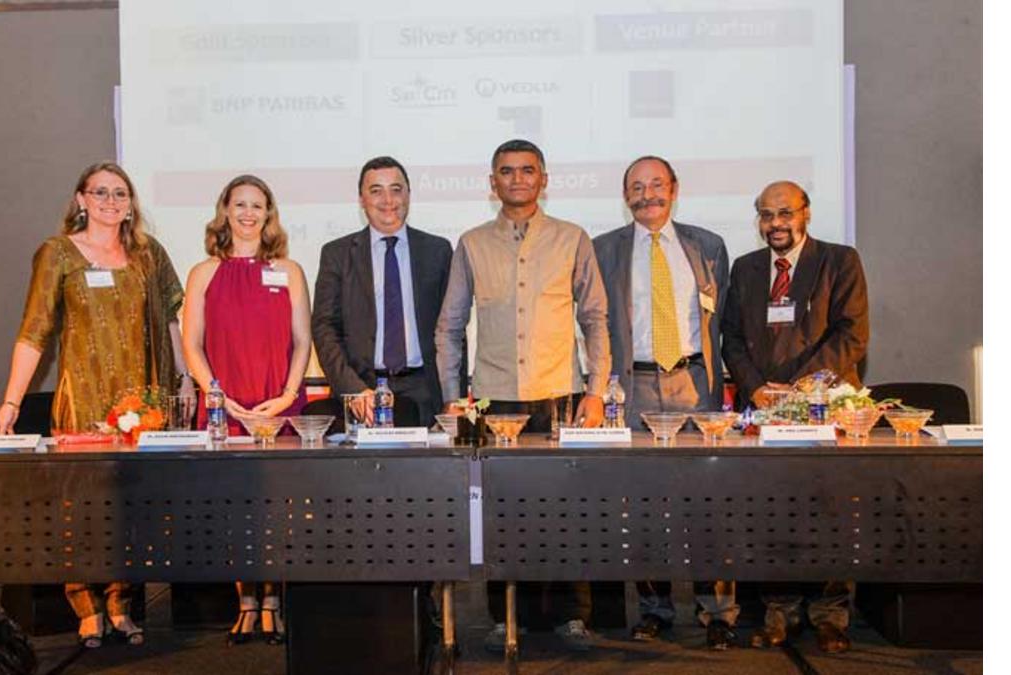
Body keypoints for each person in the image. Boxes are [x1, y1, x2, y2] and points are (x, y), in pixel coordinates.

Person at [0, 161, 189, 648]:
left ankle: (121, 605)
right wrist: (12, 400)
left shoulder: (148, 254)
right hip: (82, 400)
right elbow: (34, 332)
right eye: (99, 192)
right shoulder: (57, 253)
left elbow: (171, 321)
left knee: (133, 508)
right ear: (81, 199)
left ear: (131, 203)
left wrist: (185, 380)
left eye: (120, 193)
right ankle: (85, 606)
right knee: (79, 507)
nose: (110, 201)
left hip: (142, 404)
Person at [435, 139, 610, 652]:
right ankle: (503, 616)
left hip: (560, 394)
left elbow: (595, 319)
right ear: (492, 183)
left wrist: (597, 391)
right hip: (493, 401)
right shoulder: (471, 243)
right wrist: (453, 397)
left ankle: (571, 616)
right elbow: (449, 326)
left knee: (568, 507)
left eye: (527, 170)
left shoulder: (572, 238)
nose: (517, 179)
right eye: (507, 171)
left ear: (543, 179)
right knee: (501, 511)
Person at [592, 155, 739, 649]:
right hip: (634, 388)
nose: (646, 194)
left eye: (656, 184)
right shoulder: (604, 249)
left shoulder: (707, 246)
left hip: (695, 384)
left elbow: (723, 319)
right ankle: (655, 609)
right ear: (625, 195)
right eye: (636, 187)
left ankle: (717, 611)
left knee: (708, 500)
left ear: (674, 189)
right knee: (642, 501)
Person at [721, 180, 869, 653]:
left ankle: (830, 615)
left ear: (805, 213)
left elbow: (852, 334)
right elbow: (731, 338)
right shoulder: (746, 268)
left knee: (830, 511)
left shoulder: (839, 261)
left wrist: (801, 388)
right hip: (764, 409)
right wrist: (757, 388)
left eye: (785, 213)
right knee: (771, 511)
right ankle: (779, 611)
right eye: (766, 215)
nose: (775, 223)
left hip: (823, 406)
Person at [182, 174, 311, 644]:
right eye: (240, 204)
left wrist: (287, 396)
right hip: (224, 405)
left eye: (258, 205)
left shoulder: (289, 270)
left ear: (269, 213)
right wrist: (217, 396)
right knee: (234, 509)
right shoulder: (203, 272)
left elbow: (303, 341)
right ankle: (246, 603)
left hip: (279, 403)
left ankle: (273, 601)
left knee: (279, 508)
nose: (249, 213)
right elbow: (192, 344)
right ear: (225, 211)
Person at [312, 156, 453, 427]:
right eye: (376, 191)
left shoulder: (438, 251)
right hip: (361, 391)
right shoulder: (337, 254)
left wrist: (452, 398)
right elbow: (324, 328)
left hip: (424, 395)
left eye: (396, 189)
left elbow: (452, 329)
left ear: (409, 194)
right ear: (361, 199)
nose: (388, 200)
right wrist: (353, 390)